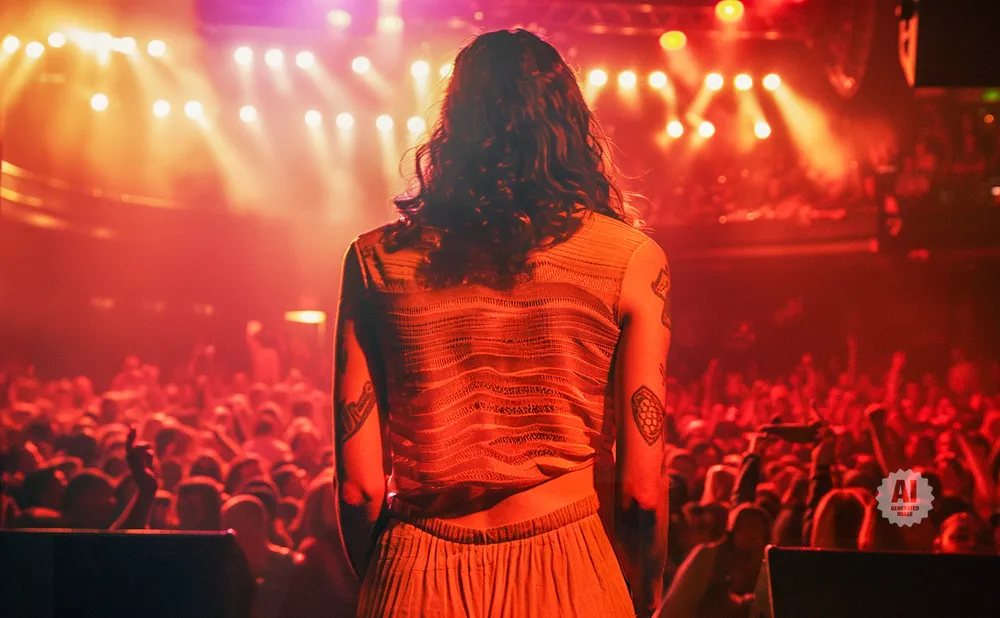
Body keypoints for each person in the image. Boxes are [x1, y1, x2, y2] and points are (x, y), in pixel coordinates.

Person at [334, 29, 670, 617]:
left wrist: (390, 578)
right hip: (572, 570)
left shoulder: (374, 261)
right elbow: (642, 494)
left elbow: (359, 487)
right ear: (569, 125)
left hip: (415, 570)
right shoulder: (631, 260)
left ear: (452, 126)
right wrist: (642, 595)